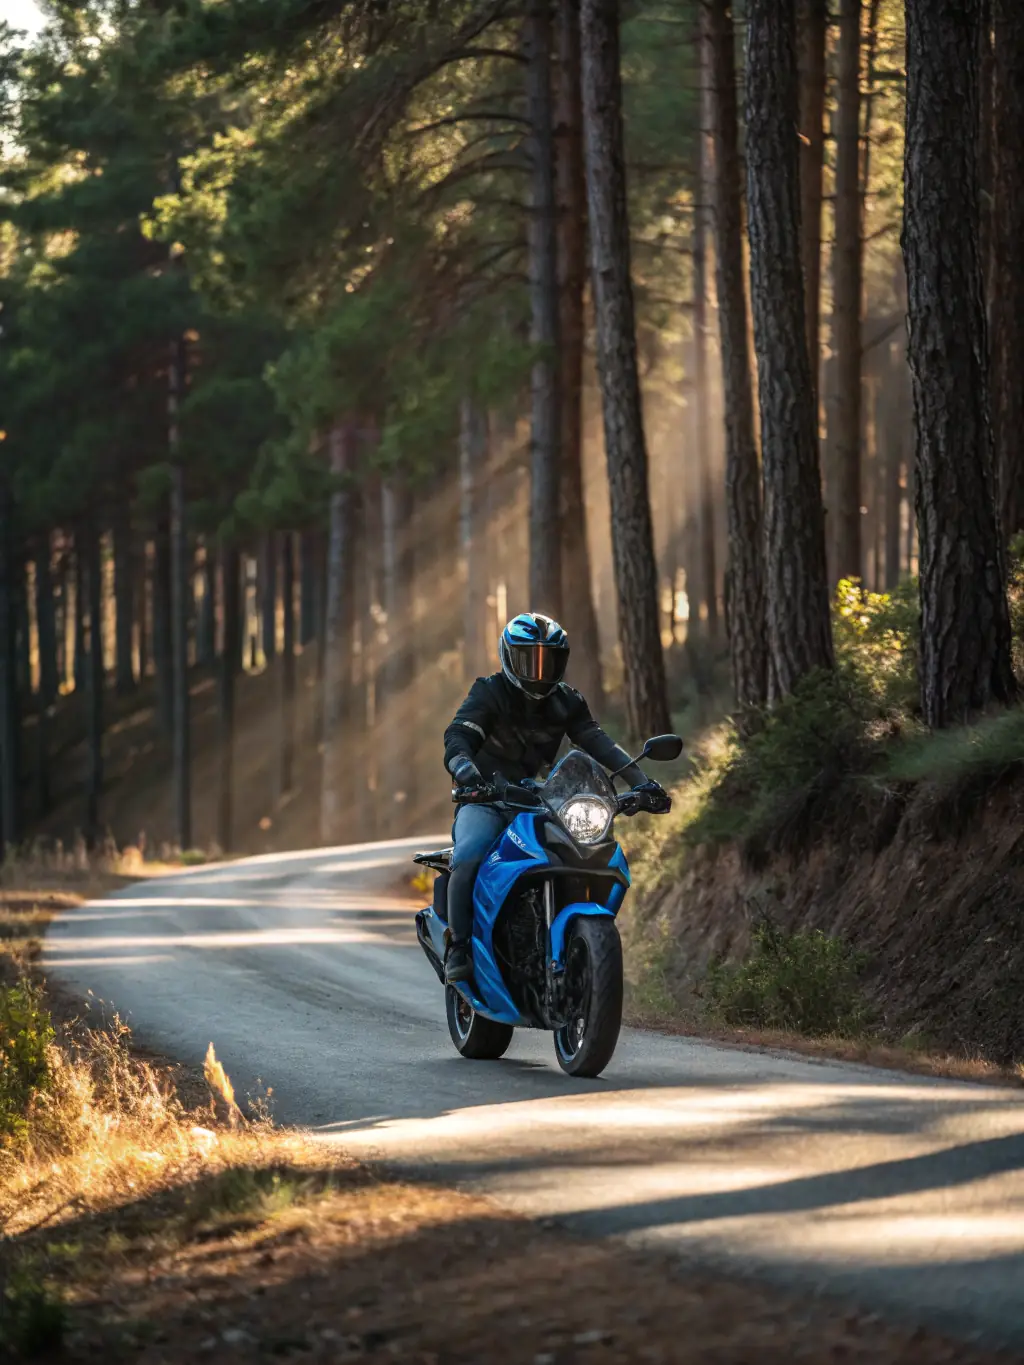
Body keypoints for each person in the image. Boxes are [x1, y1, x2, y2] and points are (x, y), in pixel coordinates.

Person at [442, 611, 671, 983]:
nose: (538, 669)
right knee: (468, 855)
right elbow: (458, 735)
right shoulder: (489, 691)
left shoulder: (567, 700)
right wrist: (464, 768)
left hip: (539, 799)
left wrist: (642, 783)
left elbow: (600, 744)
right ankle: (460, 947)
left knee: (580, 849)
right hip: (486, 797)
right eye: (529, 658)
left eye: (548, 659)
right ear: (509, 656)